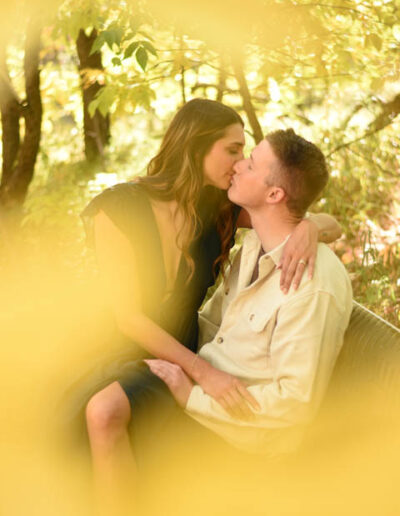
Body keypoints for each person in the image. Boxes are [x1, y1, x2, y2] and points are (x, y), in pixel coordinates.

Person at [81, 100, 341, 511]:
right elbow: (127, 317)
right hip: (120, 343)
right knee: (92, 410)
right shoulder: (116, 210)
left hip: (182, 347)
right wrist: (204, 372)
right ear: (196, 146)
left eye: (245, 154)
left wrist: (311, 227)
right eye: (233, 150)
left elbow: (295, 211)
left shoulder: (218, 205)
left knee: (107, 412)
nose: (239, 163)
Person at [147, 128, 353, 456]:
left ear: (273, 195)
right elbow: (211, 327)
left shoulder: (310, 285)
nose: (239, 165)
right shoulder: (255, 244)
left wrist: (191, 397)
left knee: (109, 419)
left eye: (252, 164)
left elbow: (293, 402)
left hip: (236, 441)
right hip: (204, 400)